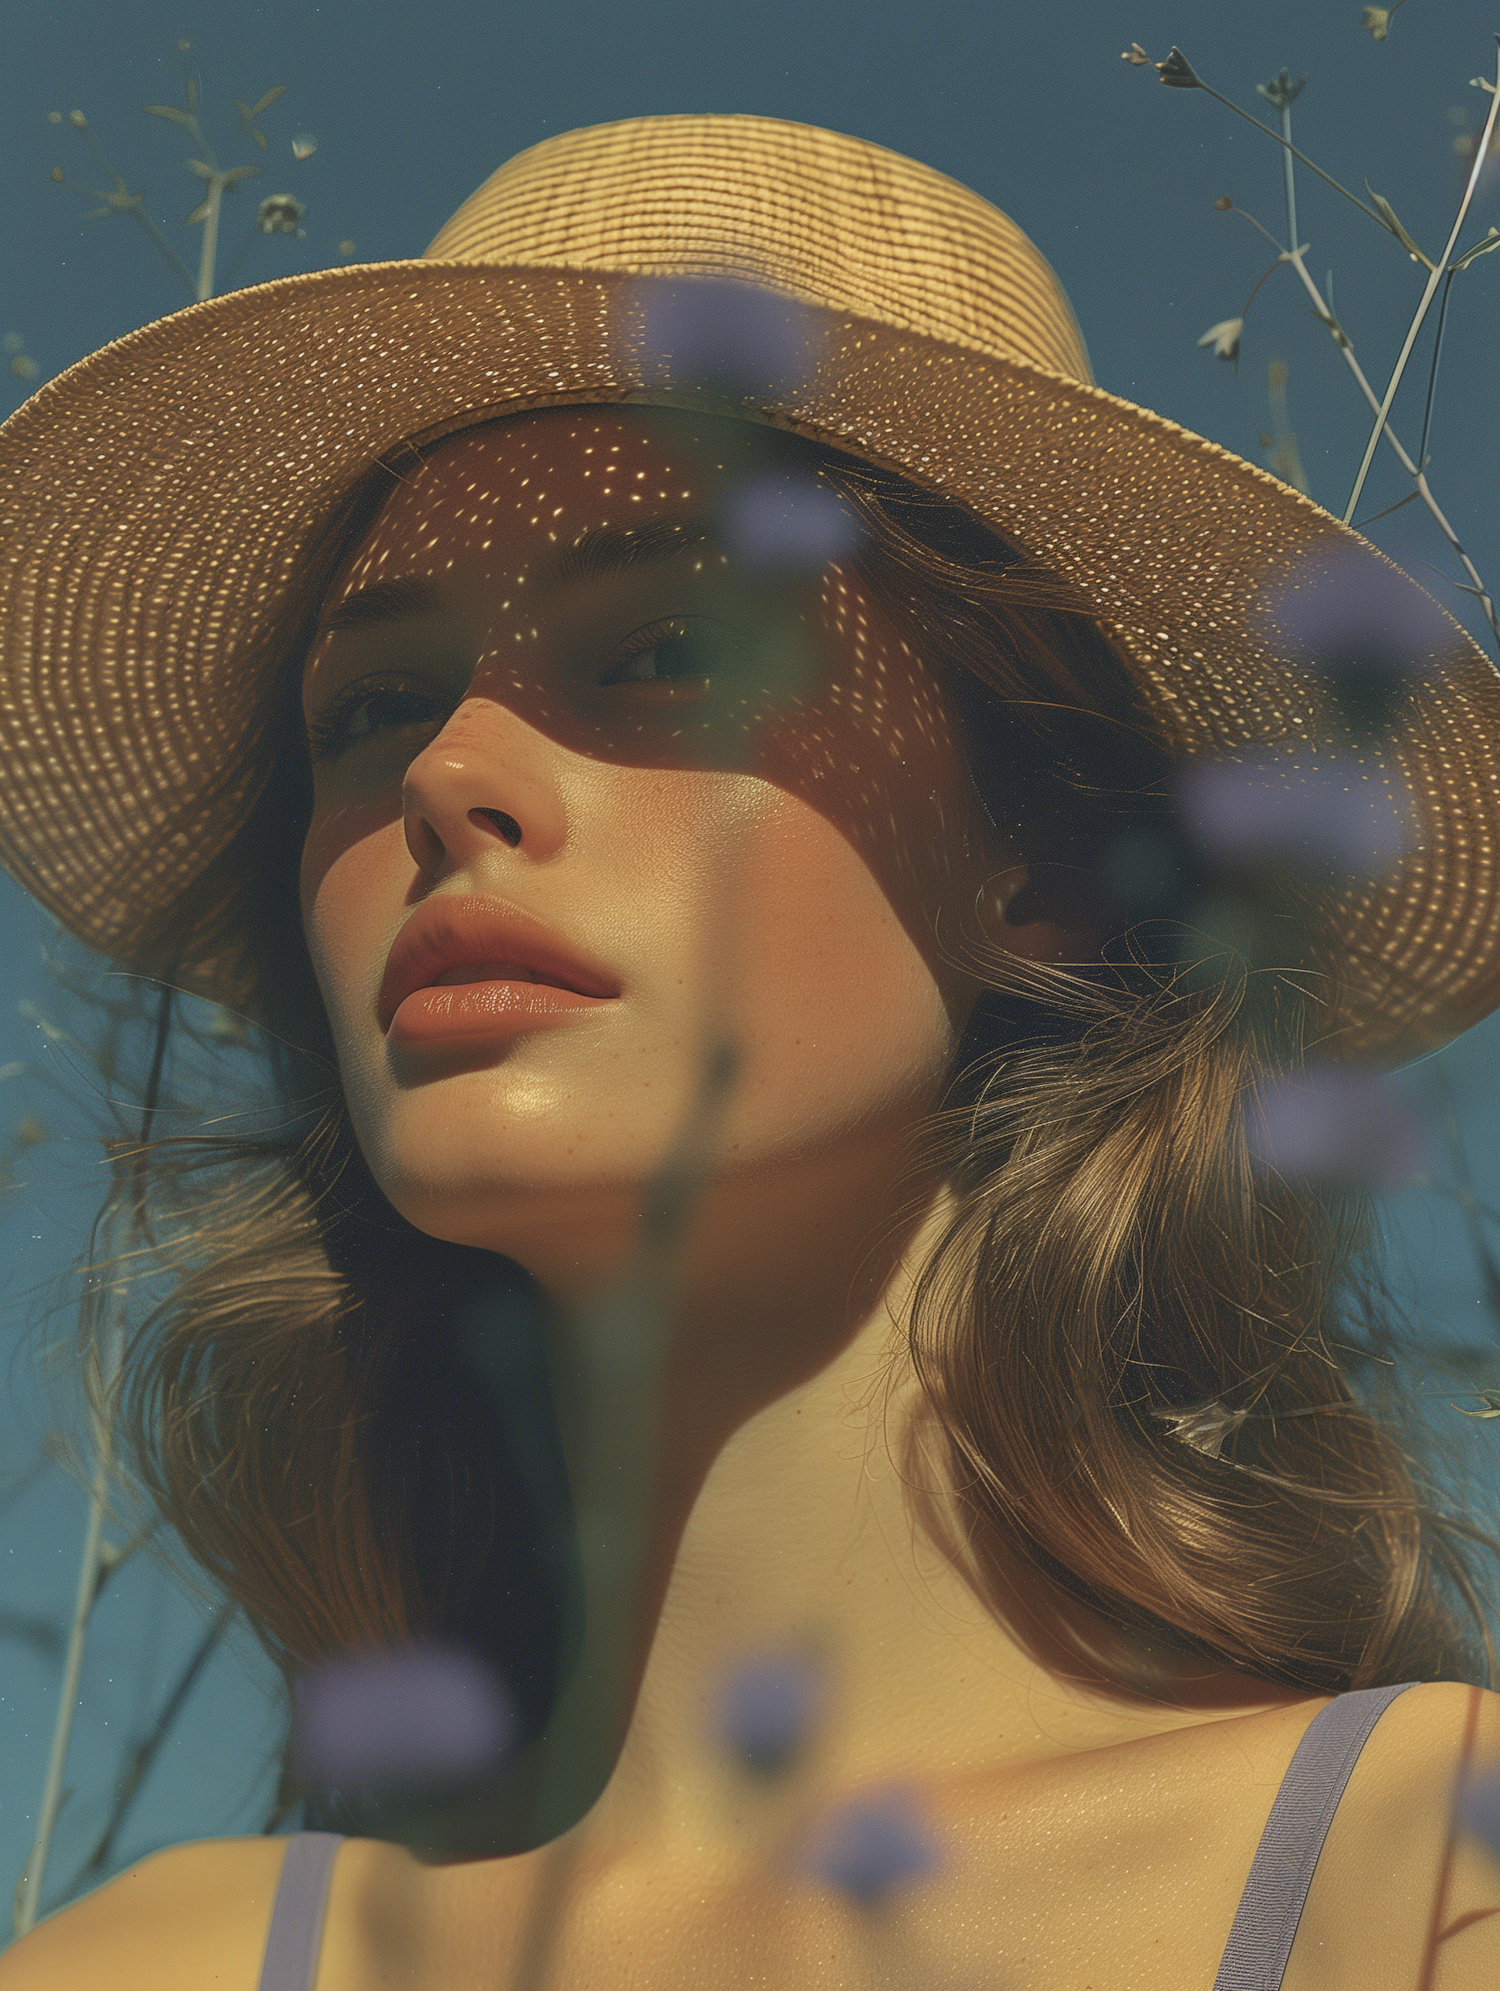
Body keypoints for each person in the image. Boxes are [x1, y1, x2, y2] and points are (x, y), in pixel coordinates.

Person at [1, 113, 1500, 1991]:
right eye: (374, 705)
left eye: (669, 650)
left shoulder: (1424, 1882)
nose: (449, 777)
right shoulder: (142, 1968)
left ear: (1045, 862)